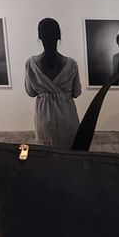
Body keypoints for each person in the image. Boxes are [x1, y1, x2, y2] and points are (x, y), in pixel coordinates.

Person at [24, 18, 81, 148]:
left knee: (47, 153)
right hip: (67, 116)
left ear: (39, 37)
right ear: (59, 36)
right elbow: (76, 92)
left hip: (44, 117)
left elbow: (31, 92)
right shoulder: (71, 64)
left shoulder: (30, 64)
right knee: (69, 151)